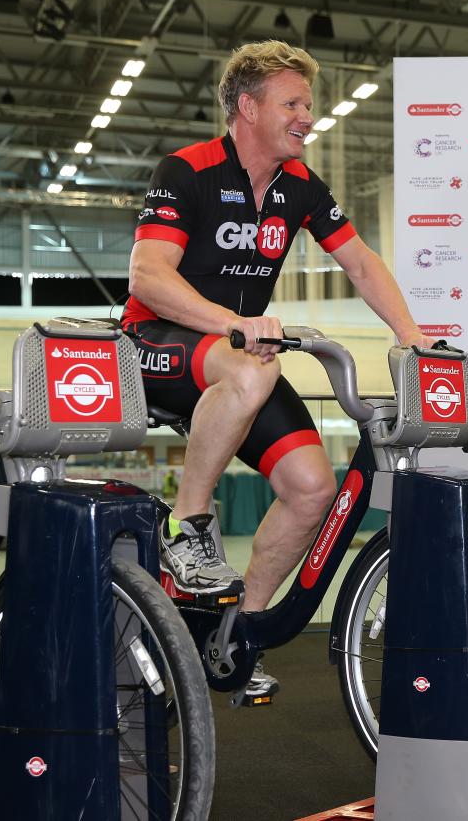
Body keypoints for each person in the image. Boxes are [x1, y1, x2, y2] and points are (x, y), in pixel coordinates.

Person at [123, 40, 431, 697]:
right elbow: (148, 276)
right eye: (291, 103)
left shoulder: (300, 187)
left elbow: (360, 263)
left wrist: (411, 335)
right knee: (249, 369)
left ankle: (237, 634)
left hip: (241, 357)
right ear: (247, 107)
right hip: (154, 342)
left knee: (313, 489)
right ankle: (187, 524)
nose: (306, 116)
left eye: (308, 105)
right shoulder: (188, 170)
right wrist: (229, 322)